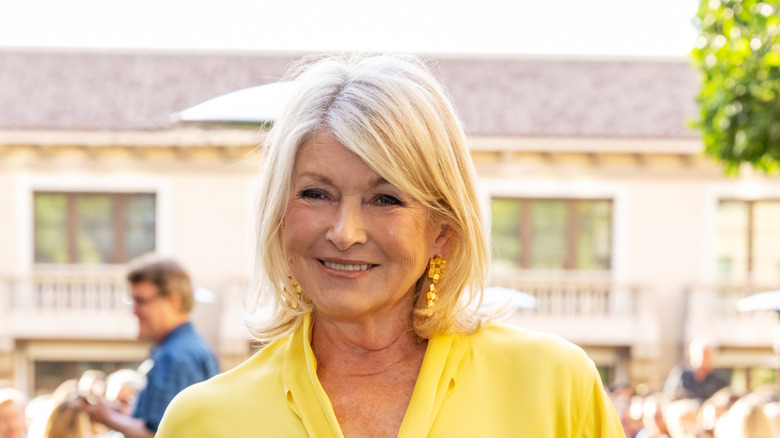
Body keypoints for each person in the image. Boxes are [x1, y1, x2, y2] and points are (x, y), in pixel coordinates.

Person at [157, 53, 624, 437]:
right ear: (278, 214)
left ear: (443, 229)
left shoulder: (554, 386)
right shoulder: (202, 422)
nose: (345, 233)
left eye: (386, 199)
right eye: (316, 193)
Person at [79, 255, 219, 438]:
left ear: (174, 301)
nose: (134, 311)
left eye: (141, 301)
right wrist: (115, 412)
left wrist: (106, 417)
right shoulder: (186, 348)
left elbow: (155, 434)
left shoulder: (176, 356)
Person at [664, 336, 730, 402]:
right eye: (700, 355)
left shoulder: (720, 381)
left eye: (707, 356)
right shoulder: (681, 375)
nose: (703, 360)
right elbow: (668, 397)